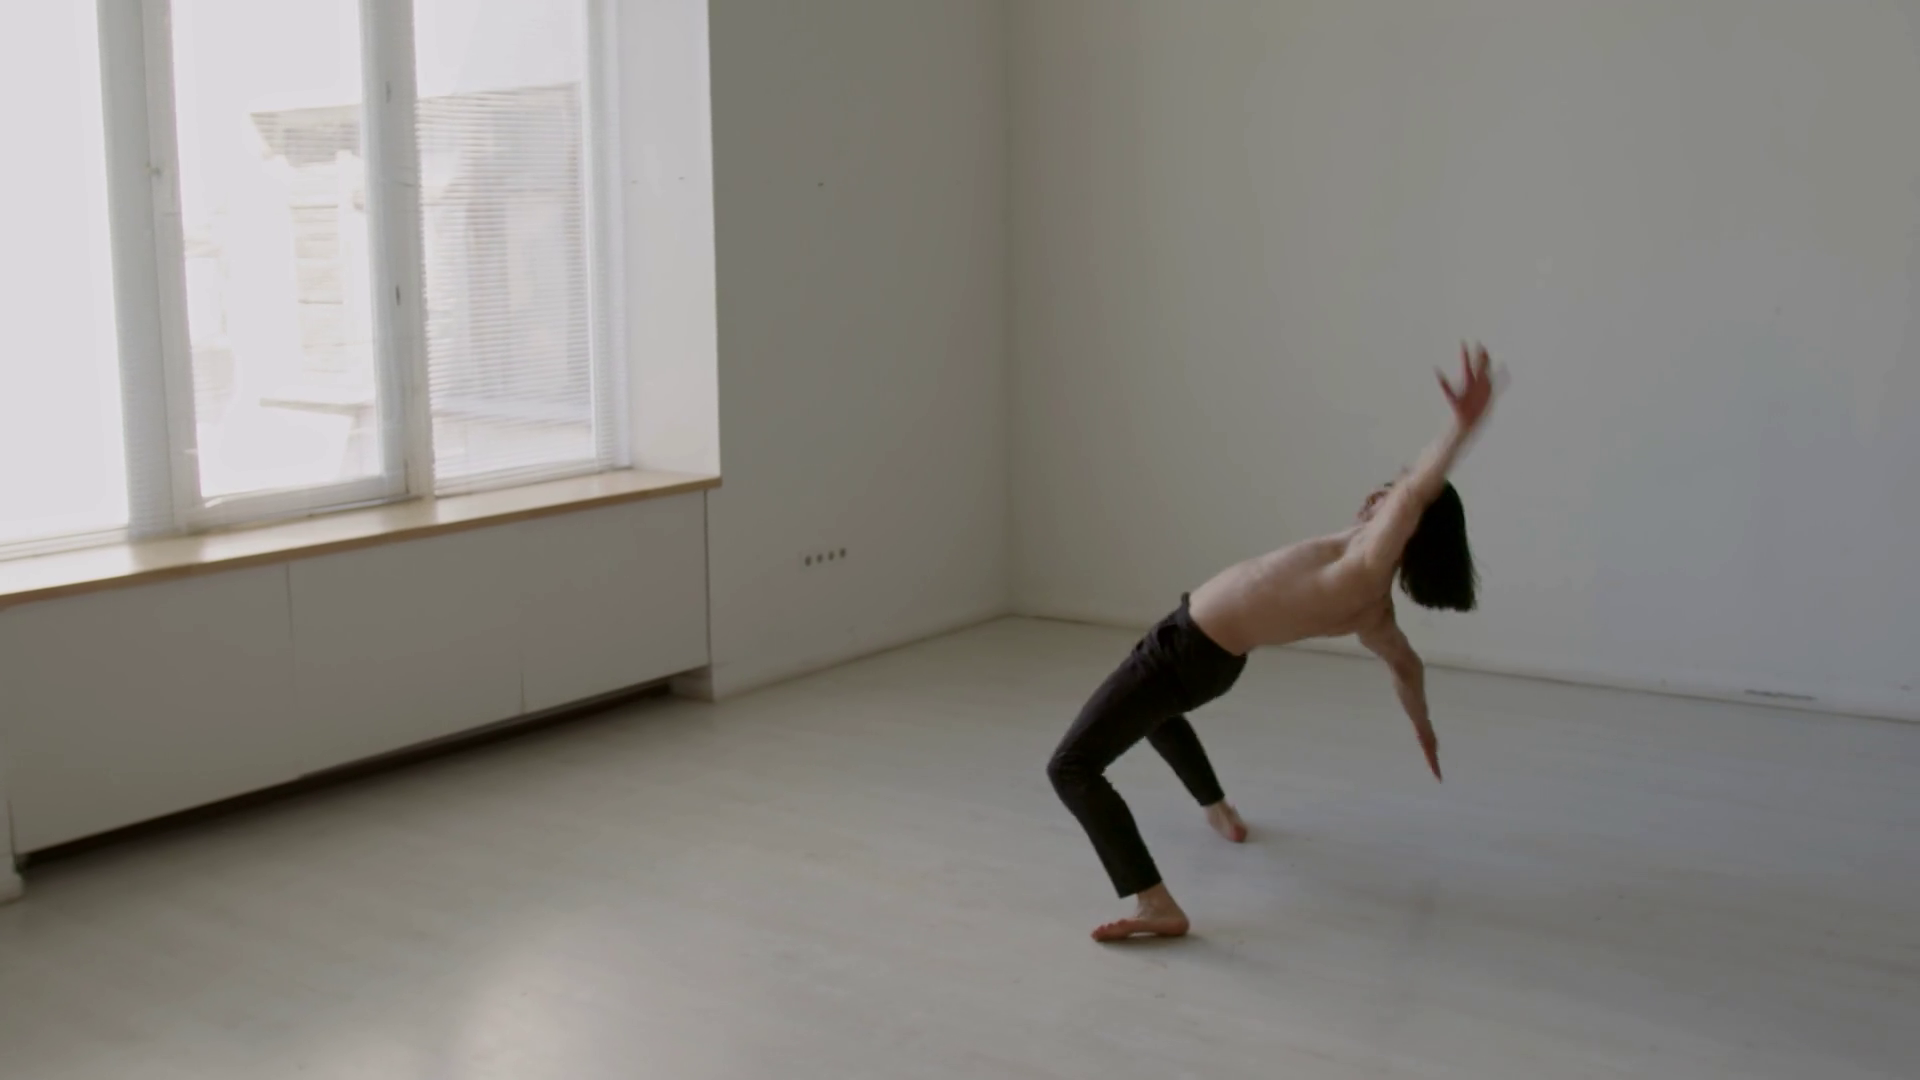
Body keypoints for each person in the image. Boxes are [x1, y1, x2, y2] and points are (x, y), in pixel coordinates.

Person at [1047, 344, 1501, 942]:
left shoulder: (1364, 568)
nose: (1380, 495)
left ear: (1405, 527)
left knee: (1071, 767)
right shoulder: (1368, 599)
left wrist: (1459, 428)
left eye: (1391, 496)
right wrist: (1423, 728)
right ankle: (1219, 810)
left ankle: (1155, 902)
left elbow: (1418, 492)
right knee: (1154, 713)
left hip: (1189, 650)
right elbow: (1405, 666)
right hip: (1203, 654)